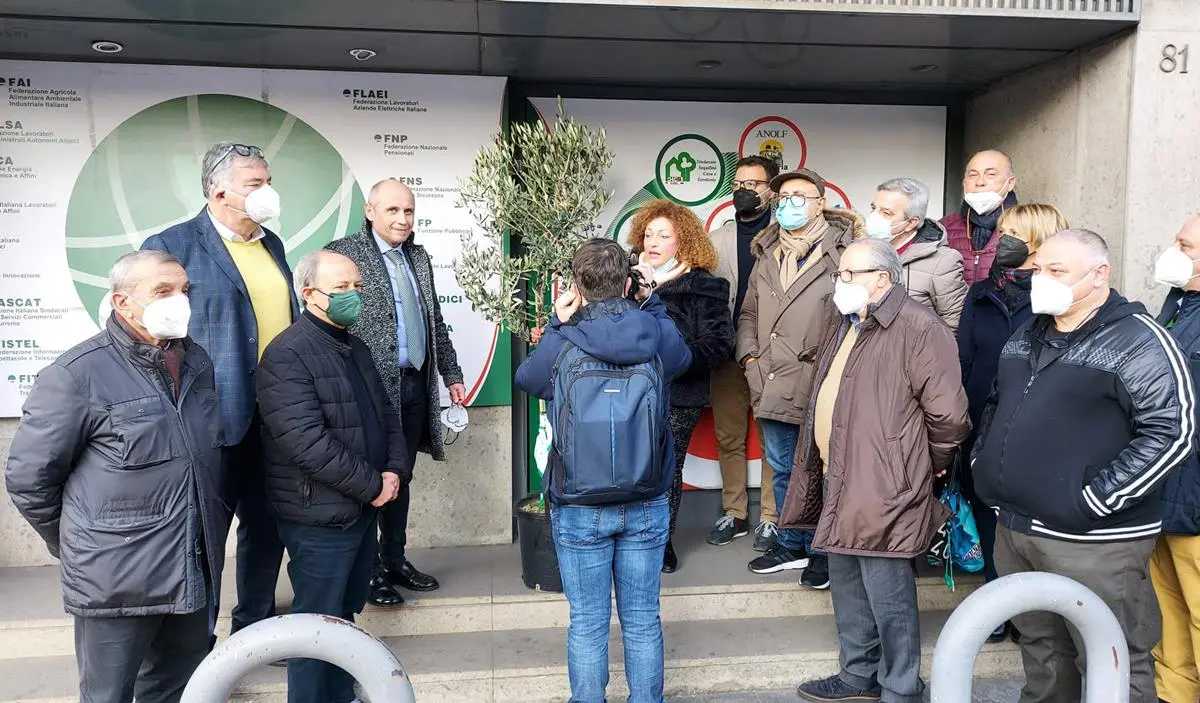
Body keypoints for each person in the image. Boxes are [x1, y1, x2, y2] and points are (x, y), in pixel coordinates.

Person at [973, 229, 1195, 703]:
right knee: (1041, 651)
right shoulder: (1028, 333)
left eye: (1057, 272)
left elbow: (1171, 432)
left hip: (1094, 542)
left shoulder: (1140, 341)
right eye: (1038, 271)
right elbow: (996, 405)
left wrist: (1093, 500)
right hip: (1016, 529)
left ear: (1099, 275)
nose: (1041, 281)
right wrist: (983, 468)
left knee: (1109, 657)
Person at [6, 250, 228, 703]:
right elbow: (30, 478)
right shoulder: (76, 374)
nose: (179, 301)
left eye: (184, 290)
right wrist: (79, 540)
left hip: (191, 567)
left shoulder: (196, 362)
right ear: (123, 303)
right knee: (108, 696)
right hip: (116, 580)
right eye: (163, 291)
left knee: (175, 688)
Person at [783, 239, 970, 703]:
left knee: (888, 594)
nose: (838, 283)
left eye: (849, 274)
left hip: (888, 483)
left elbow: (949, 418)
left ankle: (901, 687)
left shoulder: (919, 328)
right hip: (840, 475)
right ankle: (857, 676)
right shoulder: (848, 321)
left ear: (882, 279)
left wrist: (920, 468)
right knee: (846, 581)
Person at [515, 238, 691, 703]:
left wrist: (557, 318)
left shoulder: (565, 336)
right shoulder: (652, 333)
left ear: (577, 285)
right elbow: (682, 361)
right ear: (629, 281)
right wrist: (652, 303)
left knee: (588, 622)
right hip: (647, 495)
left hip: (578, 500)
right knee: (642, 618)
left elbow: (529, 380)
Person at [142, 141, 296, 636]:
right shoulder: (173, 246)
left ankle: (252, 628)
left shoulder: (272, 244)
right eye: (256, 184)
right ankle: (198, 643)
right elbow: (148, 338)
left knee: (267, 530)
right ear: (219, 191)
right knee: (204, 537)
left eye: (268, 182)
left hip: (275, 416)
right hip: (211, 422)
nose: (266, 193)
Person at [256, 251, 408, 703]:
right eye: (341, 289)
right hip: (319, 517)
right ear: (309, 294)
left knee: (343, 619)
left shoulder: (352, 345)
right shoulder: (286, 355)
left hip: (358, 509)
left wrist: (396, 470)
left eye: (357, 287)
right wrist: (373, 484)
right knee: (314, 627)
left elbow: (387, 415)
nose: (353, 296)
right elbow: (307, 444)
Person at [325, 178, 465, 606]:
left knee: (401, 477)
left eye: (409, 211)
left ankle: (395, 560)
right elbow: (324, 320)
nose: (403, 219)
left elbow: (435, 320)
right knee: (372, 480)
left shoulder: (417, 256)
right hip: (367, 390)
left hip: (413, 385)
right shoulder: (344, 254)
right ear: (370, 210)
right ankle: (367, 574)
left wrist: (452, 373)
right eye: (393, 211)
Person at [738, 167, 864, 590]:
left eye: (799, 194)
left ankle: (824, 553)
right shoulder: (767, 250)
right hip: (771, 378)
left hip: (822, 381)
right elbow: (750, 313)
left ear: (821, 202)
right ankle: (792, 543)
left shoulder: (848, 251)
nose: (789, 202)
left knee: (824, 469)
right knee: (782, 467)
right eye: (784, 195)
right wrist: (749, 358)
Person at [956, 203, 1067, 643]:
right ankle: (996, 604)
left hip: (1038, 431)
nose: (1001, 239)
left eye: (1013, 232)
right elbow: (963, 361)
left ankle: (1033, 616)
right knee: (986, 513)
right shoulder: (980, 292)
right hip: (983, 421)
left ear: (1039, 241)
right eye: (1001, 231)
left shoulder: (1057, 298)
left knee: (1029, 523)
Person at [628, 199, 733, 572]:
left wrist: (679, 358)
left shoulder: (705, 286)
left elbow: (719, 344)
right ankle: (630, 539)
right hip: (628, 395)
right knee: (631, 466)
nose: (652, 241)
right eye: (648, 234)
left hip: (678, 393)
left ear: (683, 242)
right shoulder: (626, 280)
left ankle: (661, 541)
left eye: (664, 235)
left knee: (666, 468)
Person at [709, 155, 781, 551]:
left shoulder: (784, 236)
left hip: (771, 355)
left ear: (771, 190)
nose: (745, 190)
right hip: (726, 353)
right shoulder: (717, 238)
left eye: (754, 183)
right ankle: (734, 513)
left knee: (773, 437)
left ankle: (771, 517)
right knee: (729, 436)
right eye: (739, 183)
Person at [1151, 214, 1200, 703]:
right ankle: (1175, 694)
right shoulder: (1178, 302)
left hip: (1195, 492)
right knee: (1170, 605)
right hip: (1166, 489)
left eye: (1185, 244)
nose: (1174, 249)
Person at [866, 177, 966, 331]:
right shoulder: (862, 250)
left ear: (911, 223)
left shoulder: (944, 262)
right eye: (874, 208)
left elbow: (953, 327)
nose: (874, 217)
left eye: (886, 213)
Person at [941, 149, 1019, 285]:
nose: (980, 182)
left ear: (1010, 183)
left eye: (991, 174)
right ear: (964, 184)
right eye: (973, 175)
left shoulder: (1029, 225)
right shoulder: (943, 228)